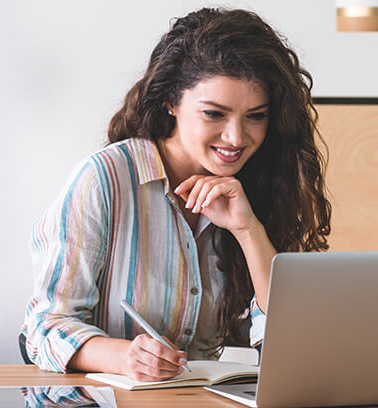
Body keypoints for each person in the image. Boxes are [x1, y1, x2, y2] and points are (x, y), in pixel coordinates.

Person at [21, 7, 331, 382]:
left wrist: (248, 230)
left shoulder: (261, 186)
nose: (236, 137)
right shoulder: (105, 179)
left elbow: (288, 342)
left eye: (256, 116)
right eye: (215, 114)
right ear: (171, 101)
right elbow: (45, 327)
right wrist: (125, 357)